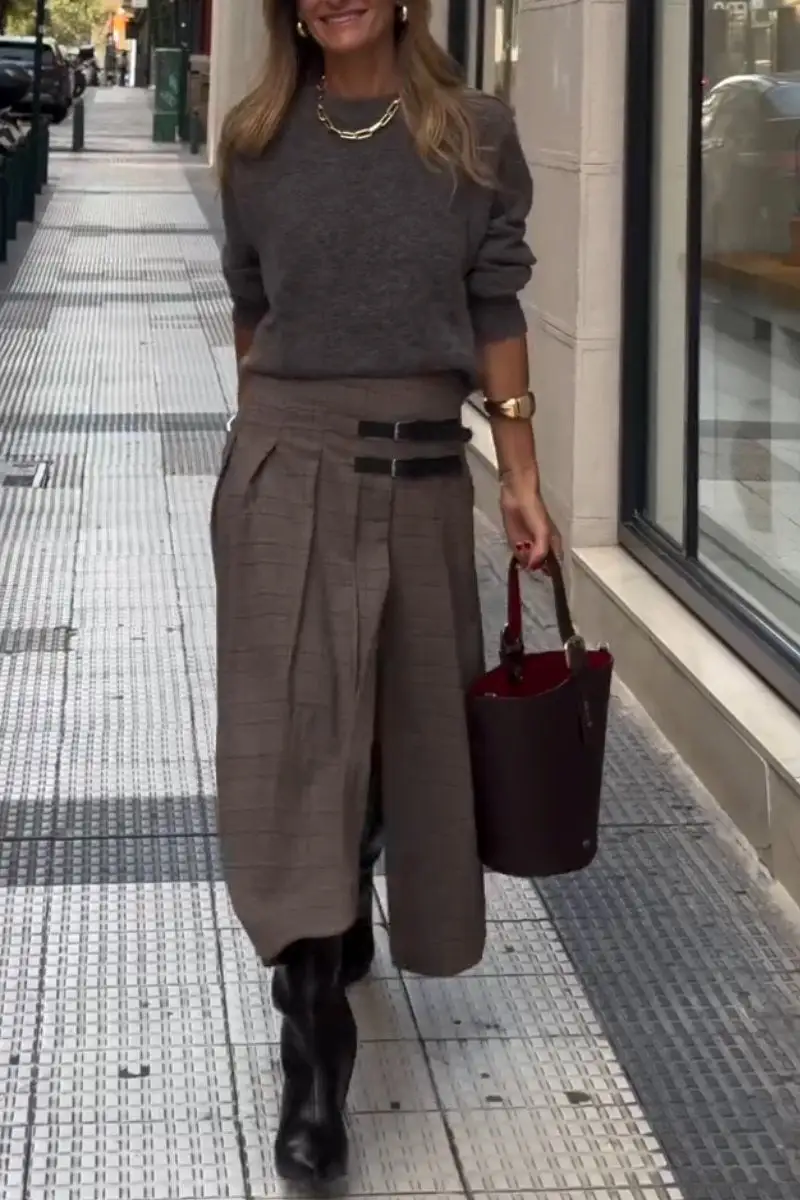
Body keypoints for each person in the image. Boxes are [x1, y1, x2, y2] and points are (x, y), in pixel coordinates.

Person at [214, 0, 559, 1186]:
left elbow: (495, 304)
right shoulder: (255, 136)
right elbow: (250, 309)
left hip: (420, 469)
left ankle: (347, 892)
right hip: (286, 462)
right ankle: (313, 1039)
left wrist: (520, 475)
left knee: (395, 735)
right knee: (293, 744)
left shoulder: (473, 132)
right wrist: (266, 458)